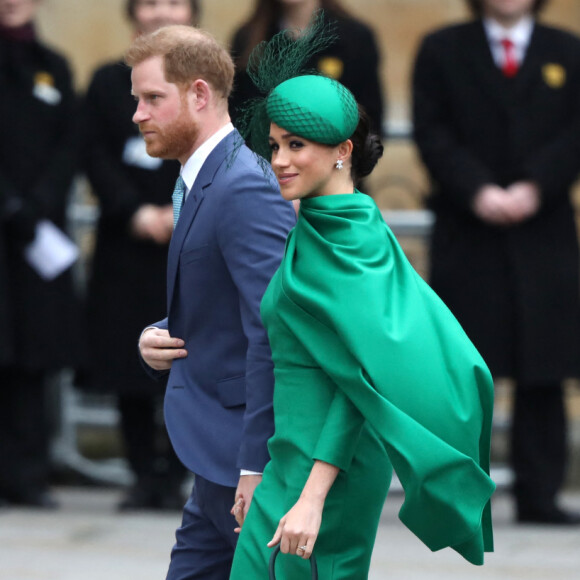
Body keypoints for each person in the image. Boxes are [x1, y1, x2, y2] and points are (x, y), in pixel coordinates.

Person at [228, 28, 495, 576]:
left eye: (296, 145)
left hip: (329, 472)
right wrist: (260, 471)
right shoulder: (318, 226)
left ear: (342, 152)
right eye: (275, 145)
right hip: (291, 461)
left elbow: (362, 383)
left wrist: (314, 495)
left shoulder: (353, 239)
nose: (279, 159)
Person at [128, 24, 296, 578]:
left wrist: (256, 465)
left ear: (199, 94)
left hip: (242, 458)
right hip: (217, 458)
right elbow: (221, 303)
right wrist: (162, 334)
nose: (138, 114)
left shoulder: (241, 186)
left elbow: (276, 329)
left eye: (153, 98)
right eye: (137, 100)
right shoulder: (209, 179)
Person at [413, 0, 580, 525]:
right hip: (468, 226)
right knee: (464, 371)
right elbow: (431, 129)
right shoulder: (442, 49)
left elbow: (575, 133)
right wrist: (477, 189)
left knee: (543, 367)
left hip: (544, 227)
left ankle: (540, 493)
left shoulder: (567, 50)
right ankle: (458, 497)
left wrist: (536, 185)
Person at [81, 0, 200, 512]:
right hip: (127, 241)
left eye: (174, 2)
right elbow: (93, 154)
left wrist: (187, 211)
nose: (161, 13)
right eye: (149, 2)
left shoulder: (209, 86)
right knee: (129, 357)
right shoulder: (108, 82)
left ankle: (176, 474)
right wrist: (135, 212)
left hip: (194, 242)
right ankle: (139, 473)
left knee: (187, 355)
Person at [0, 0, 84, 508]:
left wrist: (39, 203)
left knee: (34, 353)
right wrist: (8, 202)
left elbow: (70, 143)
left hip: (37, 236)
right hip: (8, 223)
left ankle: (28, 471)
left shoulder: (53, 67)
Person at [229, 0, 384, 138]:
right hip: (265, 165)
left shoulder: (356, 39)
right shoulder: (248, 40)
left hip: (334, 164)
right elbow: (239, 120)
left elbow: (369, 121)